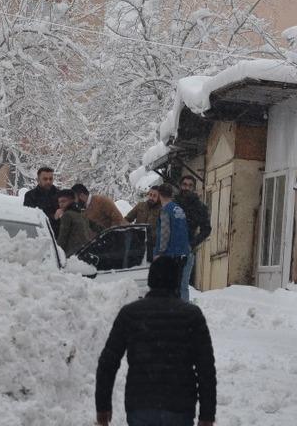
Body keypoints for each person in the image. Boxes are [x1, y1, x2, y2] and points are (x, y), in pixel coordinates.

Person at [95, 258, 216, 426]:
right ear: (176, 281)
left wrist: (102, 406)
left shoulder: (130, 314)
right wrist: (207, 415)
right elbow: (206, 368)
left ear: (150, 279)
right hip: (179, 407)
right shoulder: (192, 316)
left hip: (140, 406)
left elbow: (108, 362)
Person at [175, 176, 212, 301]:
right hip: (169, 249)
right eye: (185, 184)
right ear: (180, 186)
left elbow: (206, 229)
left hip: (186, 250)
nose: (187, 187)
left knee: (182, 285)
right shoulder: (173, 204)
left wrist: (192, 244)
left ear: (194, 188)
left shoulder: (199, 207)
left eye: (190, 185)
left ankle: (183, 311)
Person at [154, 184, 191, 292]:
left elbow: (165, 233)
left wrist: (160, 252)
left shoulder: (165, 210)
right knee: (177, 286)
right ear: (171, 194)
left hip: (170, 255)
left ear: (160, 195)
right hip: (182, 253)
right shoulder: (179, 209)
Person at [55, 189, 94, 256]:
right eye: (59, 202)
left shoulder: (67, 215)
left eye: (63, 201)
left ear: (72, 200)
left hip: (71, 254)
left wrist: (57, 254)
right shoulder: (81, 214)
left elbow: (62, 237)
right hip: (84, 251)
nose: (61, 204)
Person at [24, 167, 60, 232]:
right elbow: (29, 217)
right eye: (45, 179)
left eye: (50, 179)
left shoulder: (60, 195)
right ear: (38, 180)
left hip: (57, 233)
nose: (48, 181)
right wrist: (53, 217)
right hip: (38, 232)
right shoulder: (30, 196)